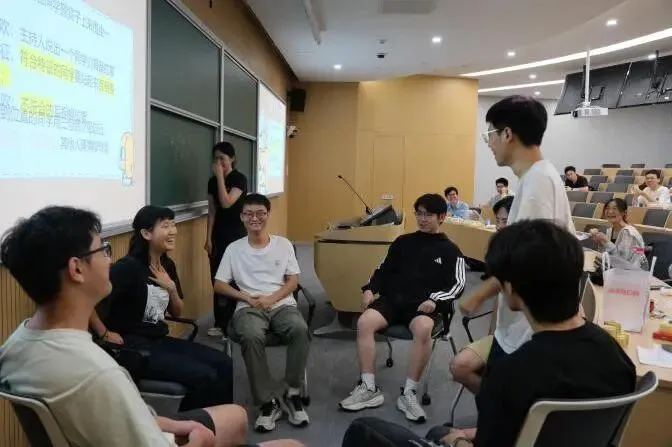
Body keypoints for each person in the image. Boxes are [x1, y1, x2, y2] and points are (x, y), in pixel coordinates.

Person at [0, 206, 302, 447]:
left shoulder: (14, 346)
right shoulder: (101, 374)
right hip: (136, 356)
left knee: (235, 414)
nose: (109, 260)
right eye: (103, 250)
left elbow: (130, 419)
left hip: (125, 416)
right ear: (76, 269)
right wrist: (199, 440)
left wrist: (169, 423)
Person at [342, 220, 636, 447]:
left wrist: (459, 440)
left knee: (364, 430)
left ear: (510, 289)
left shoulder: (509, 372)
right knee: (439, 431)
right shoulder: (615, 355)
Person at [451, 95, 574, 395]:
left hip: (528, 331)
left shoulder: (538, 183)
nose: (489, 143)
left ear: (507, 134)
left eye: (490, 135)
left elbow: (525, 261)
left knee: (505, 403)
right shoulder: (537, 177)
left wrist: (477, 295)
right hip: (523, 327)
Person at [89, 205, 233, 411]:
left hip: (158, 340)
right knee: (206, 377)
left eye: (173, 225)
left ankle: (221, 424)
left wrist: (171, 288)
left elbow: (177, 312)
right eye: (166, 226)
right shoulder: (128, 268)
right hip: (132, 346)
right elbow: (88, 299)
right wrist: (103, 333)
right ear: (146, 234)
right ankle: (190, 426)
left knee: (225, 364)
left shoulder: (167, 266)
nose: (173, 231)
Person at [339, 193, 466, 423]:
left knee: (423, 328)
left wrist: (436, 300)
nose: (422, 219)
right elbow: (383, 270)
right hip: (392, 300)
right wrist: (370, 289)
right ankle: (368, 387)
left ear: (442, 217)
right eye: (419, 213)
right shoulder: (402, 242)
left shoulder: (451, 250)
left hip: (423, 305)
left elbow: (458, 285)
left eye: (428, 215)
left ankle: (409, 393)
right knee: (364, 322)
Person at [214, 194, 310, 433]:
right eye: (248, 214)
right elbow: (219, 284)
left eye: (260, 213)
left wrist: (271, 299)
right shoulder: (234, 249)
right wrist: (247, 298)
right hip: (248, 307)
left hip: (281, 304)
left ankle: (292, 392)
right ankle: (267, 402)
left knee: (300, 329)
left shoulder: (283, 244)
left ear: (268, 215)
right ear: (241, 217)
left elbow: (293, 281)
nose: (254, 218)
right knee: (250, 335)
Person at [205, 141, 249, 337]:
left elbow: (226, 202)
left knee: (236, 278)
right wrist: (208, 238)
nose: (218, 162)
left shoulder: (239, 179)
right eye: (215, 159)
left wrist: (221, 178)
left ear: (232, 159)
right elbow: (212, 211)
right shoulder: (211, 182)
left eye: (222, 158)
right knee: (218, 278)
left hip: (236, 235)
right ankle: (220, 322)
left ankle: (238, 319)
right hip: (218, 236)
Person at [589, 198, 648, 270]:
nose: (610, 211)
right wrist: (600, 242)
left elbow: (623, 261)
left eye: (614, 209)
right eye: (607, 208)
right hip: (615, 270)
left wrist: (606, 241)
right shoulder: (610, 231)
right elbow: (607, 257)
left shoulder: (628, 232)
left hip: (632, 272)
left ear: (624, 213)